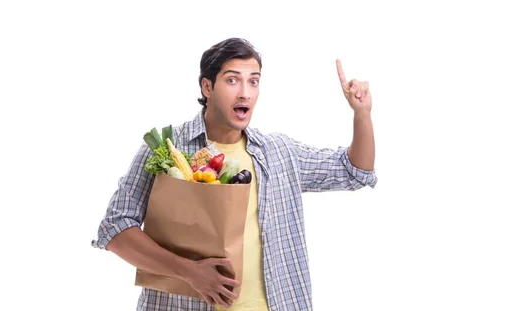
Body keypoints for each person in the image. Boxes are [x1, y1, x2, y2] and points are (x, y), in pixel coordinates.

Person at [91, 37, 377, 311]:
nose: (245, 92)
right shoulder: (166, 148)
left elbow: (354, 171)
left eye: (253, 81)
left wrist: (361, 113)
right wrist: (190, 272)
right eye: (232, 80)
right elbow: (115, 229)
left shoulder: (279, 152)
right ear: (207, 87)